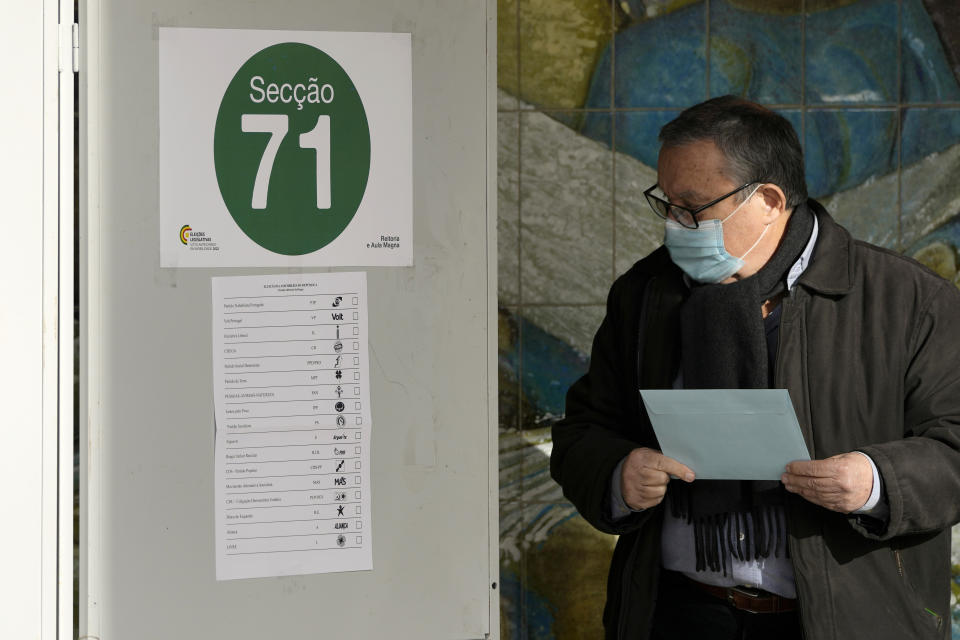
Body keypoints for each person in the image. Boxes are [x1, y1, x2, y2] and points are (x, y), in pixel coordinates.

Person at [550, 95, 960, 640]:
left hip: (841, 619)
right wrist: (618, 474)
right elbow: (582, 431)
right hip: (681, 612)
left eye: (693, 208)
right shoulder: (645, 294)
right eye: (665, 203)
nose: (675, 225)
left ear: (767, 200)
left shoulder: (908, 301)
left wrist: (875, 482)